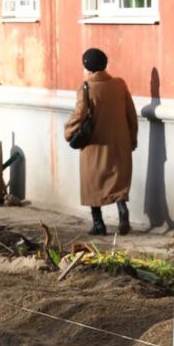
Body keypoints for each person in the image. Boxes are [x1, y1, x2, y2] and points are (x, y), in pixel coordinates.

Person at [63, 48, 138, 236]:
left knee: (92, 183)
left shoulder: (87, 88)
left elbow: (80, 114)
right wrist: (132, 138)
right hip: (119, 143)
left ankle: (99, 224)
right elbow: (131, 113)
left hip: (95, 145)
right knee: (118, 181)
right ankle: (122, 210)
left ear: (87, 66)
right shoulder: (119, 84)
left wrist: (68, 130)